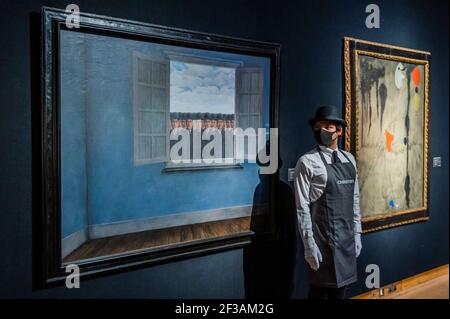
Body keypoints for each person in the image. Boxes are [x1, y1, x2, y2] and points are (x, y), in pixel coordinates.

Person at [294, 105, 362, 299]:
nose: (320, 130)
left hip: (347, 239)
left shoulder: (349, 159)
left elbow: (354, 199)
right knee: (319, 292)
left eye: (327, 126)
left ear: (338, 131)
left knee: (342, 293)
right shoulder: (307, 162)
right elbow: (301, 208)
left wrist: (357, 232)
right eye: (318, 126)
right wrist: (309, 245)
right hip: (323, 240)